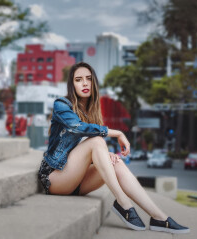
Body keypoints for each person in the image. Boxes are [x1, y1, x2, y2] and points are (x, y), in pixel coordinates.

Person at [38, 62, 189, 234]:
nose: (85, 83)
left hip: (76, 180)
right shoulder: (61, 105)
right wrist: (116, 133)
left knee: (115, 162)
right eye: (78, 80)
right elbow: (77, 128)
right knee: (97, 141)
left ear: (94, 82)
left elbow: (80, 149)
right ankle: (123, 203)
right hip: (54, 177)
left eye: (88, 79)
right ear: (72, 85)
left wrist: (104, 154)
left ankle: (159, 217)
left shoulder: (91, 112)